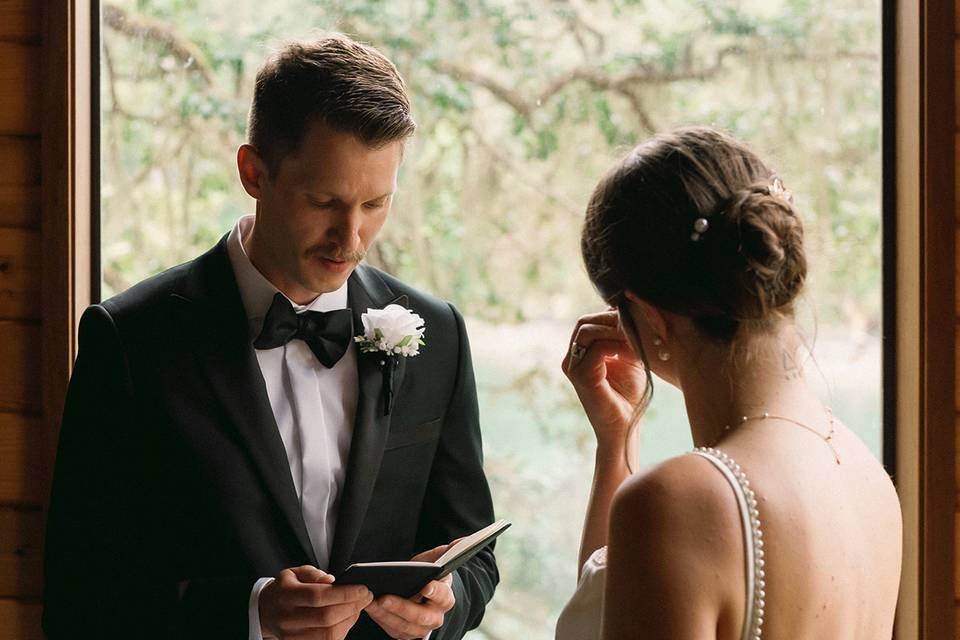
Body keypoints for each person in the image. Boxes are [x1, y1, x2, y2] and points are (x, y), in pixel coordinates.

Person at [43, 34, 498, 640]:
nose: (352, 237)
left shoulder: (437, 333)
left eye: (375, 203)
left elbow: (477, 558)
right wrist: (249, 614)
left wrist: (445, 604)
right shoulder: (132, 342)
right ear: (253, 172)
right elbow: (78, 597)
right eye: (324, 202)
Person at [555, 127, 901, 639]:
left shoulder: (680, 502)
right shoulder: (867, 476)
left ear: (650, 318)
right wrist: (617, 439)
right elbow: (607, 600)